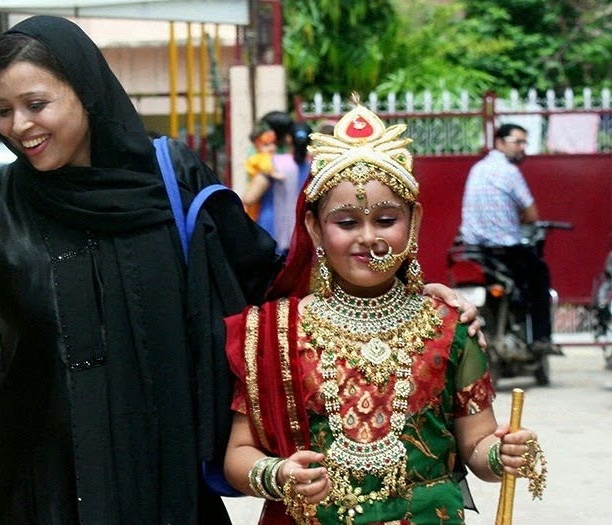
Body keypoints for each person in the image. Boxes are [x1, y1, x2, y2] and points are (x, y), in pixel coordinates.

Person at [0, 15, 481, 524]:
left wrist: (407, 301)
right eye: (3, 111)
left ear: (87, 93)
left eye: (36, 105)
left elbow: (272, 285)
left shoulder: (170, 179)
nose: (19, 128)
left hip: (171, 484)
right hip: (48, 491)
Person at [223, 105, 547, 524]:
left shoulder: (450, 326)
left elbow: (476, 444)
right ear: (315, 228)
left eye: (387, 219)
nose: (369, 237)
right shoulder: (273, 333)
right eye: (346, 222)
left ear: (413, 224)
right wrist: (278, 473)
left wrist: (500, 454)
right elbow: (238, 455)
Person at [460, 123, 555, 355]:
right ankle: (541, 338)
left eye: (525, 143)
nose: (523, 148)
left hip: (472, 250)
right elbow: (532, 215)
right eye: (518, 142)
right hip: (504, 250)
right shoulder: (510, 172)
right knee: (539, 276)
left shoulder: (477, 169)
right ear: (500, 142)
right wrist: (520, 218)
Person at [242, 117, 304, 255]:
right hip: (300, 228)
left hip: (272, 225)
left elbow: (249, 198)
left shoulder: (275, 163)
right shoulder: (313, 165)